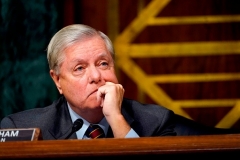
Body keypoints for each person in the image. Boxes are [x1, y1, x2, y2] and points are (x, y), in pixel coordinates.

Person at [0, 24, 238, 140]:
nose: (96, 76)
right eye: (80, 68)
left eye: (103, 63)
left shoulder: (155, 122)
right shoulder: (22, 128)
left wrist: (116, 119)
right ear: (57, 80)